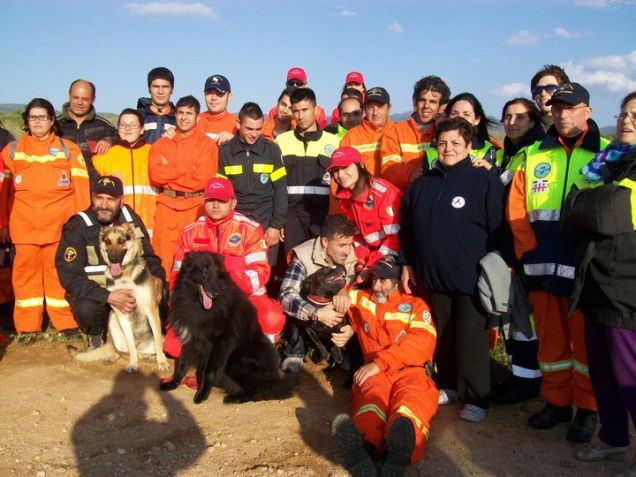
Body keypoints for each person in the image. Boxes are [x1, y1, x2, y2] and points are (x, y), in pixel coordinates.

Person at [507, 82, 607, 443]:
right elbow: (517, 209)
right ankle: (556, 401)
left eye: (571, 107)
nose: (563, 114)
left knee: (585, 346)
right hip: (542, 267)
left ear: (587, 112)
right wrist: (528, 252)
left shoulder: (608, 155)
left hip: (586, 272)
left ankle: (589, 408)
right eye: (558, 108)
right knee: (550, 344)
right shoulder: (535, 155)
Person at [400, 117, 505, 423]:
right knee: (443, 334)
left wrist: (502, 263)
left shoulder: (482, 181)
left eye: (456, 143)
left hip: (470, 277)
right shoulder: (422, 184)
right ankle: (449, 385)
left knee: (470, 337)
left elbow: (497, 226)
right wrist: (407, 262)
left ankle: (477, 397)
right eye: (443, 143)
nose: (448, 149)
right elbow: (407, 229)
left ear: (469, 147)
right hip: (433, 275)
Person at [561, 92, 636, 462]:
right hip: (595, 279)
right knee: (602, 370)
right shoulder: (610, 163)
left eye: (635, 115)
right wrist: (584, 205)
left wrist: (582, 205)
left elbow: (609, 212)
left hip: (627, 286)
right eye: (624, 113)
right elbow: (575, 208)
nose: (626, 121)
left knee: (629, 374)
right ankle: (613, 437)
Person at [332, 255, 438, 477]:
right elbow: (329, 293)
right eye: (374, 278)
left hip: (411, 371)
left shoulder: (416, 306)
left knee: (410, 405)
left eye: (383, 280)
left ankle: (397, 455)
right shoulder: (361, 299)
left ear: (398, 281)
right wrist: (343, 288)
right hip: (374, 373)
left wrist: (381, 363)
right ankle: (364, 450)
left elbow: (420, 345)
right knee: (370, 401)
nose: (377, 285)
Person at [0, 98, 90, 343]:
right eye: (32, 117)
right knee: (24, 278)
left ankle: (65, 323)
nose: (37, 122)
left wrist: (81, 225)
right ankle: (28, 328)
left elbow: (81, 190)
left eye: (42, 117)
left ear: (52, 120)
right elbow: (3, 191)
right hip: (24, 228)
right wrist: (3, 224)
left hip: (59, 228)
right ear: (26, 121)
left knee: (58, 277)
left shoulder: (67, 149)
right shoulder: (11, 151)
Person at [165, 178, 285, 351]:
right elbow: (178, 273)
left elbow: (260, 273)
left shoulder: (250, 229)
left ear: (233, 203)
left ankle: (258, 356)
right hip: (201, 300)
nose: (215, 205)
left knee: (271, 318)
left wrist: (226, 287)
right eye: (211, 200)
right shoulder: (190, 232)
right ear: (204, 202)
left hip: (244, 296)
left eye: (221, 200)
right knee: (173, 346)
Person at [55, 176, 164, 350]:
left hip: (131, 289)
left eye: (110, 199)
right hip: (98, 293)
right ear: (92, 197)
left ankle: (150, 335)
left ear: (121, 200)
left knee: (165, 293)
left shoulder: (130, 219)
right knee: (86, 308)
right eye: (99, 197)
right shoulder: (78, 225)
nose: (104, 205)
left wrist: (158, 278)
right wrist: (108, 296)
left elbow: (148, 256)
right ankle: (96, 336)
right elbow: (70, 276)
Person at [489, 98, 546, 405]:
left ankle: (527, 382)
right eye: (507, 116)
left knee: (525, 323)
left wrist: (522, 253)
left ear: (534, 121)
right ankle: (522, 377)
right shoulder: (510, 153)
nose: (512, 122)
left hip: (526, 250)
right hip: (512, 248)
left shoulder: (535, 154)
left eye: (519, 117)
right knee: (517, 319)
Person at [279, 214, 359, 373]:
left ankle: (344, 346)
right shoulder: (303, 256)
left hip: (339, 317)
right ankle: (296, 347)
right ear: (324, 242)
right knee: (297, 301)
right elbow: (285, 296)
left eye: (350, 244)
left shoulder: (352, 254)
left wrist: (353, 328)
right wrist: (316, 314)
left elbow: (363, 292)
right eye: (342, 245)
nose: (347, 251)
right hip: (310, 315)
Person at [149, 95, 217, 277]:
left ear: (197, 117)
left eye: (189, 113)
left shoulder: (207, 145)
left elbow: (202, 179)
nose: (184, 117)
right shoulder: (161, 144)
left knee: (193, 261)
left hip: (195, 207)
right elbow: (156, 175)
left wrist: (171, 167)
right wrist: (188, 167)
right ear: (175, 115)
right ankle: (162, 302)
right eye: (180, 113)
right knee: (162, 259)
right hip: (167, 206)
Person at [217, 102, 287, 265]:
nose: (254, 134)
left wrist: (276, 225)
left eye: (258, 129)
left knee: (264, 269)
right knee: (233, 268)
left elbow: (281, 189)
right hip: (235, 220)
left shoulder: (272, 150)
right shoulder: (225, 151)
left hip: (265, 220)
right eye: (249, 129)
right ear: (238, 124)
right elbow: (221, 193)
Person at [275, 88, 340, 252]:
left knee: (322, 268)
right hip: (292, 217)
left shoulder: (334, 142)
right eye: (295, 111)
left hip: (323, 215)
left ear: (316, 110)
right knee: (295, 266)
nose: (300, 116)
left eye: (305, 110)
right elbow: (276, 185)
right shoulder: (282, 142)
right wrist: (279, 220)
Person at [329, 146, 401, 267]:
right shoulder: (345, 200)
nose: (340, 174)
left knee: (380, 284)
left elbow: (395, 240)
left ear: (360, 166)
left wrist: (371, 265)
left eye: (345, 167)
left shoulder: (383, 193)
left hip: (394, 254)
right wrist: (362, 261)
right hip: (372, 255)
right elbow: (357, 236)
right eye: (335, 170)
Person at [92, 108, 158, 236]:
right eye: (123, 125)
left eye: (133, 125)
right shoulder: (102, 157)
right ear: (117, 128)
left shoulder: (154, 153)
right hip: (117, 230)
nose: (127, 128)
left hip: (150, 226)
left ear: (142, 129)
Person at [380, 75, 451, 190]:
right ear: (414, 100)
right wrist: (410, 174)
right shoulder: (395, 131)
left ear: (440, 105)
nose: (426, 106)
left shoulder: (446, 132)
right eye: (422, 100)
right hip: (406, 199)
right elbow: (388, 169)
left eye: (433, 102)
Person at [57, 79, 118, 181]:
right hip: (60, 187)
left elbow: (122, 138)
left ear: (93, 99)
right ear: (69, 96)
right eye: (75, 97)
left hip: (91, 189)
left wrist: (109, 141)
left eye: (85, 99)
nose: (79, 103)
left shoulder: (104, 126)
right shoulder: (55, 125)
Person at [341, 87, 395, 177]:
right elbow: (342, 171)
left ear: (389, 108)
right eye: (371, 107)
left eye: (380, 107)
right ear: (365, 109)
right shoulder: (351, 136)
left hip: (396, 190)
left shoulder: (398, 131)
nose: (375, 113)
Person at [445, 93, 499, 168]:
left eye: (466, 114)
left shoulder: (489, 151)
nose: (460, 118)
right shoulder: (435, 149)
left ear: (477, 119)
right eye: (454, 113)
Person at [138, 67, 176, 144]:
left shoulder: (180, 119)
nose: (160, 91)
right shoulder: (138, 116)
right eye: (156, 87)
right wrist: (108, 141)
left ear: (172, 90)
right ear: (149, 89)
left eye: (165, 87)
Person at [197, 74, 237, 145]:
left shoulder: (238, 125)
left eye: (219, 93)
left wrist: (236, 142)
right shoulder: (193, 121)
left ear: (229, 96)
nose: (213, 98)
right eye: (209, 93)